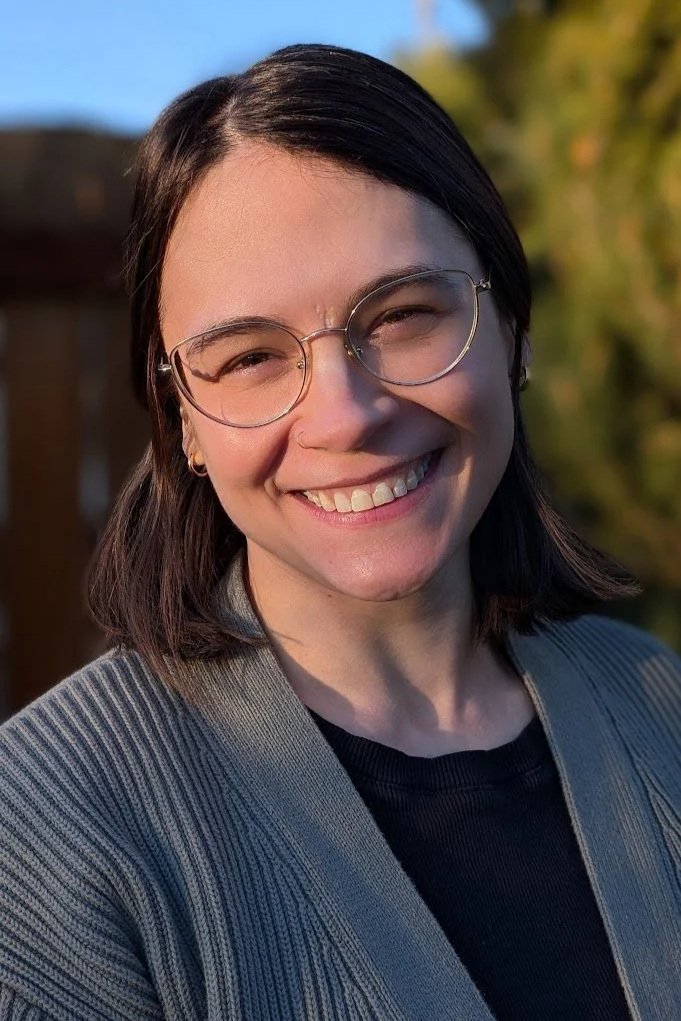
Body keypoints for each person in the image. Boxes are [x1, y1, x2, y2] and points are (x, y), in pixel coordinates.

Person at [0, 43, 679, 1021]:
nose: (346, 413)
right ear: (181, 417)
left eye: (402, 314)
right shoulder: (45, 837)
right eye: (249, 358)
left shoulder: (657, 706)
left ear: (512, 330)